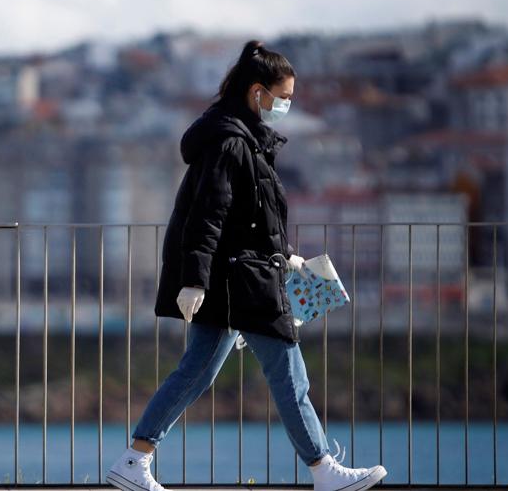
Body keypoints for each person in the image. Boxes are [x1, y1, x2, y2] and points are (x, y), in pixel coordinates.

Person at [105, 40, 386, 491]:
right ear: (258, 93)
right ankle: (324, 471)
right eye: (284, 97)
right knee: (289, 371)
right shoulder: (231, 143)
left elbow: (246, 216)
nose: (287, 105)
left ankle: (134, 460)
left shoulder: (242, 139)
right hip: (239, 280)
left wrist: (286, 257)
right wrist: (193, 280)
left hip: (240, 273)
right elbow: (208, 213)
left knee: (197, 371)